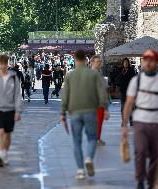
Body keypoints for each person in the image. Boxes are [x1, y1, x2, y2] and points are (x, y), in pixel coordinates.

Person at [122, 49, 158, 189]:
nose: (148, 63)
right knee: (140, 151)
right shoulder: (137, 81)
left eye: (151, 60)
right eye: (145, 60)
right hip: (141, 120)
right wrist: (124, 124)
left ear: (157, 62)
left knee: (156, 154)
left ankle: (151, 180)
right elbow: (129, 103)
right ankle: (140, 180)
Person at [61, 50, 109, 180]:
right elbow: (102, 93)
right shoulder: (93, 74)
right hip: (90, 111)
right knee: (92, 138)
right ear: (86, 59)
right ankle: (89, 158)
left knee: (76, 142)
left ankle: (80, 171)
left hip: (74, 112)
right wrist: (105, 108)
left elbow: (65, 95)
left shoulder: (70, 75)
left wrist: (62, 112)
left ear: (75, 58)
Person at [0, 54, 23, 167]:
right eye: (1, 64)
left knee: (7, 135)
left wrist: (18, 111)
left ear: (8, 64)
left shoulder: (13, 77)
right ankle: (0, 155)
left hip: (10, 110)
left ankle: (5, 153)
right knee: (0, 131)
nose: (2, 66)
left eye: (5, 64)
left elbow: (17, 95)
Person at [91, 56, 109, 146]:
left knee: (99, 121)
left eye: (100, 61)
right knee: (97, 121)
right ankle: (96, 139)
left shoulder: (98, 72)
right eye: (97, 61)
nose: (99, 63)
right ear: (93, 62)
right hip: (96, 101)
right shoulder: (94, 73)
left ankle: (97, 138)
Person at [118, 58, 136, 126]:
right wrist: (122, 74)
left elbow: (133, 80)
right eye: (124, 62)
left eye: (126, 62)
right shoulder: (121, 71)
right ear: (123, 63)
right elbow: (118, 80)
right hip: (123, 91)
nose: (125, 63)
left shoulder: (131, 70)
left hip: (130, 92)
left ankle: (131, 120)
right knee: (123, 107)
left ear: (128, 63)